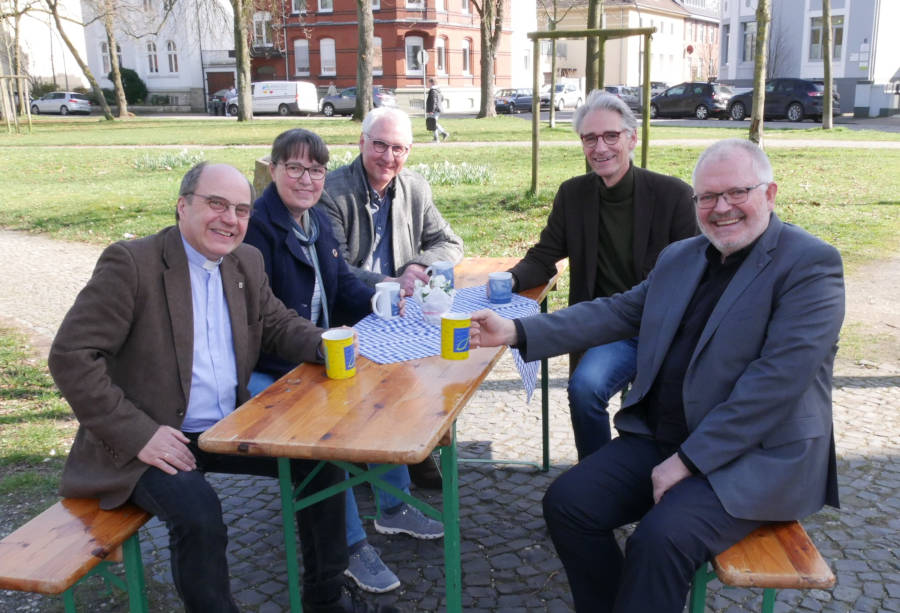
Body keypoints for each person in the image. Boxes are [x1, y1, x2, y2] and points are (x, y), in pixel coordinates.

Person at [469, 139, 844, 612]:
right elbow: (614, 312)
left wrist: (688, 461)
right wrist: (517, 329)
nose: (721, 208)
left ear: (769, 194)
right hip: (665, 434)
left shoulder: (810, 264)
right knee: (567, 503)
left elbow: (775, 386)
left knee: (659, 541)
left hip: (755, 455)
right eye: (707, 197)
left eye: (736, 193)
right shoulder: (682, 256)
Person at [48, 162, 395, 613]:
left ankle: (325, 600)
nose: (230, 219)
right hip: (153, 440)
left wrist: (337, 346)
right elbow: (71, 355)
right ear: (182, 206)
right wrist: (139, 435)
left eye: (242, 210)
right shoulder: (132, 263)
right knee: (199, 513)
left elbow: (275, 324)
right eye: (216, 204)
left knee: (320, 464)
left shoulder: (243, 261)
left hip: (224, 427)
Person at [244, 129, 443, 595]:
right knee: (315, 432)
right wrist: (320, 346)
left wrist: (388, 299)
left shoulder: (315, 221)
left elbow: (340, 287)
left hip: (318, 348)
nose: (307, 178)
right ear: (272, 170)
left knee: (391, 381)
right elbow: (265, 318)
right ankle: (347, 544)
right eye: (294, 167)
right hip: (267, 363)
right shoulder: (258, 229)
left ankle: (393, 509)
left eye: (315, 169)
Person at [507, 90, 696, 461]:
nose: (600, 147)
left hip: (658, 327)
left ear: (632, 138)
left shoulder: (673, 195)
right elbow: (545, 255)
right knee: (585, 388)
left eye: (611, 136)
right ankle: (596, 475)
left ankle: (652, 475)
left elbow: (695, 273)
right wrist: (508, 280)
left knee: (660, 411)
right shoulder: (573, 195)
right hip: (602, 327)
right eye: (590, 138)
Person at [321, 106, 463, 489]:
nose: (388, 157)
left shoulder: (414, 187)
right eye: (379, 145)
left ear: (410, 151)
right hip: (350, 311)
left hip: (402, 310)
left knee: (451, 358)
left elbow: (449, 242)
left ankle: (414, 445)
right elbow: (334, 268)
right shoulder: (332, 193)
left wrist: (419, 266)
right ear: (361, 142)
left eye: (398, 149)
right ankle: (381, 460)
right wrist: (389, 279)